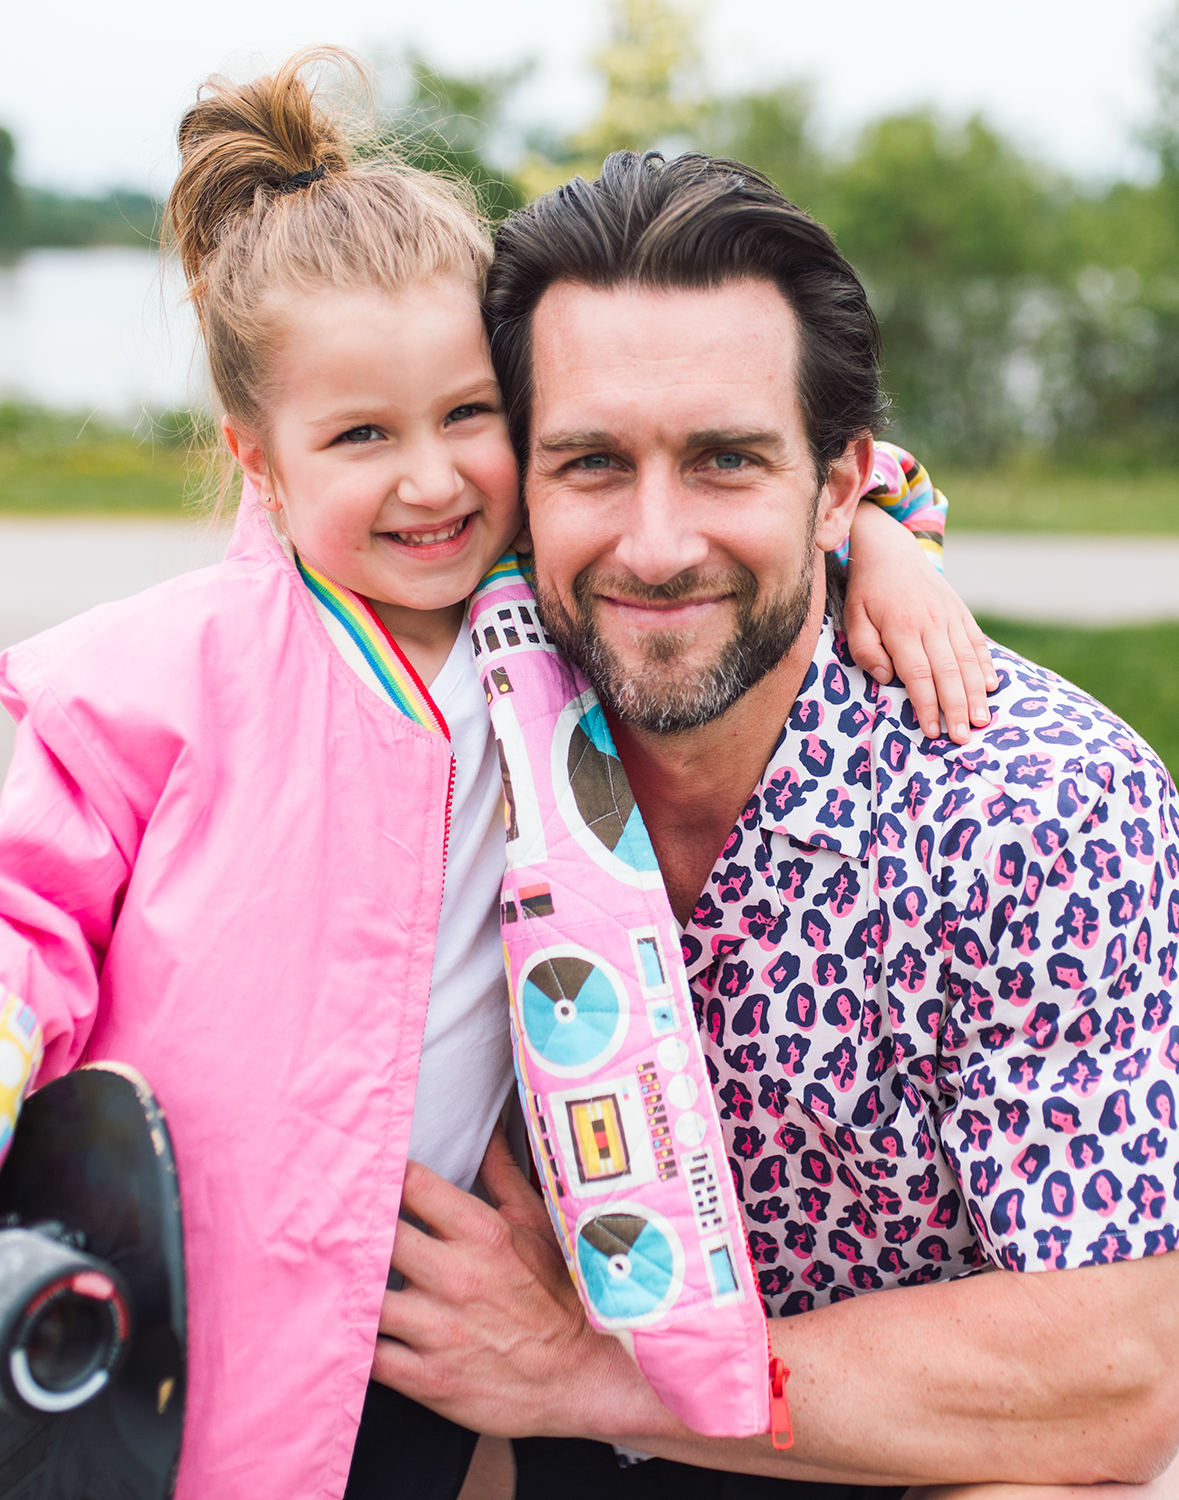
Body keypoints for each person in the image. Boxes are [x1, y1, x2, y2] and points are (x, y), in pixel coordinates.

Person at [0, 60, 991, 1500]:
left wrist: (887, 540)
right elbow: (1, 916)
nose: (432, 480)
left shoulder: (552, 620)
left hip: (393, 1334)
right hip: (164, 1301)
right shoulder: (164, 676)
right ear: (255, 462)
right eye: (359, 436)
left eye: (470, 416)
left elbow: (769, 454)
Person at [371, 151, 1179, 1498]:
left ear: (839, 485)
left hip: (903, 1453)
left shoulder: (1039, 810)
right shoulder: (437, 737)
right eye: (590, 462)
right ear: (513, 482)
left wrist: (593, 1376)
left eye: (726, 460)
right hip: (526, 1431)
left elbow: (1118, 1375)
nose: (655, 543)